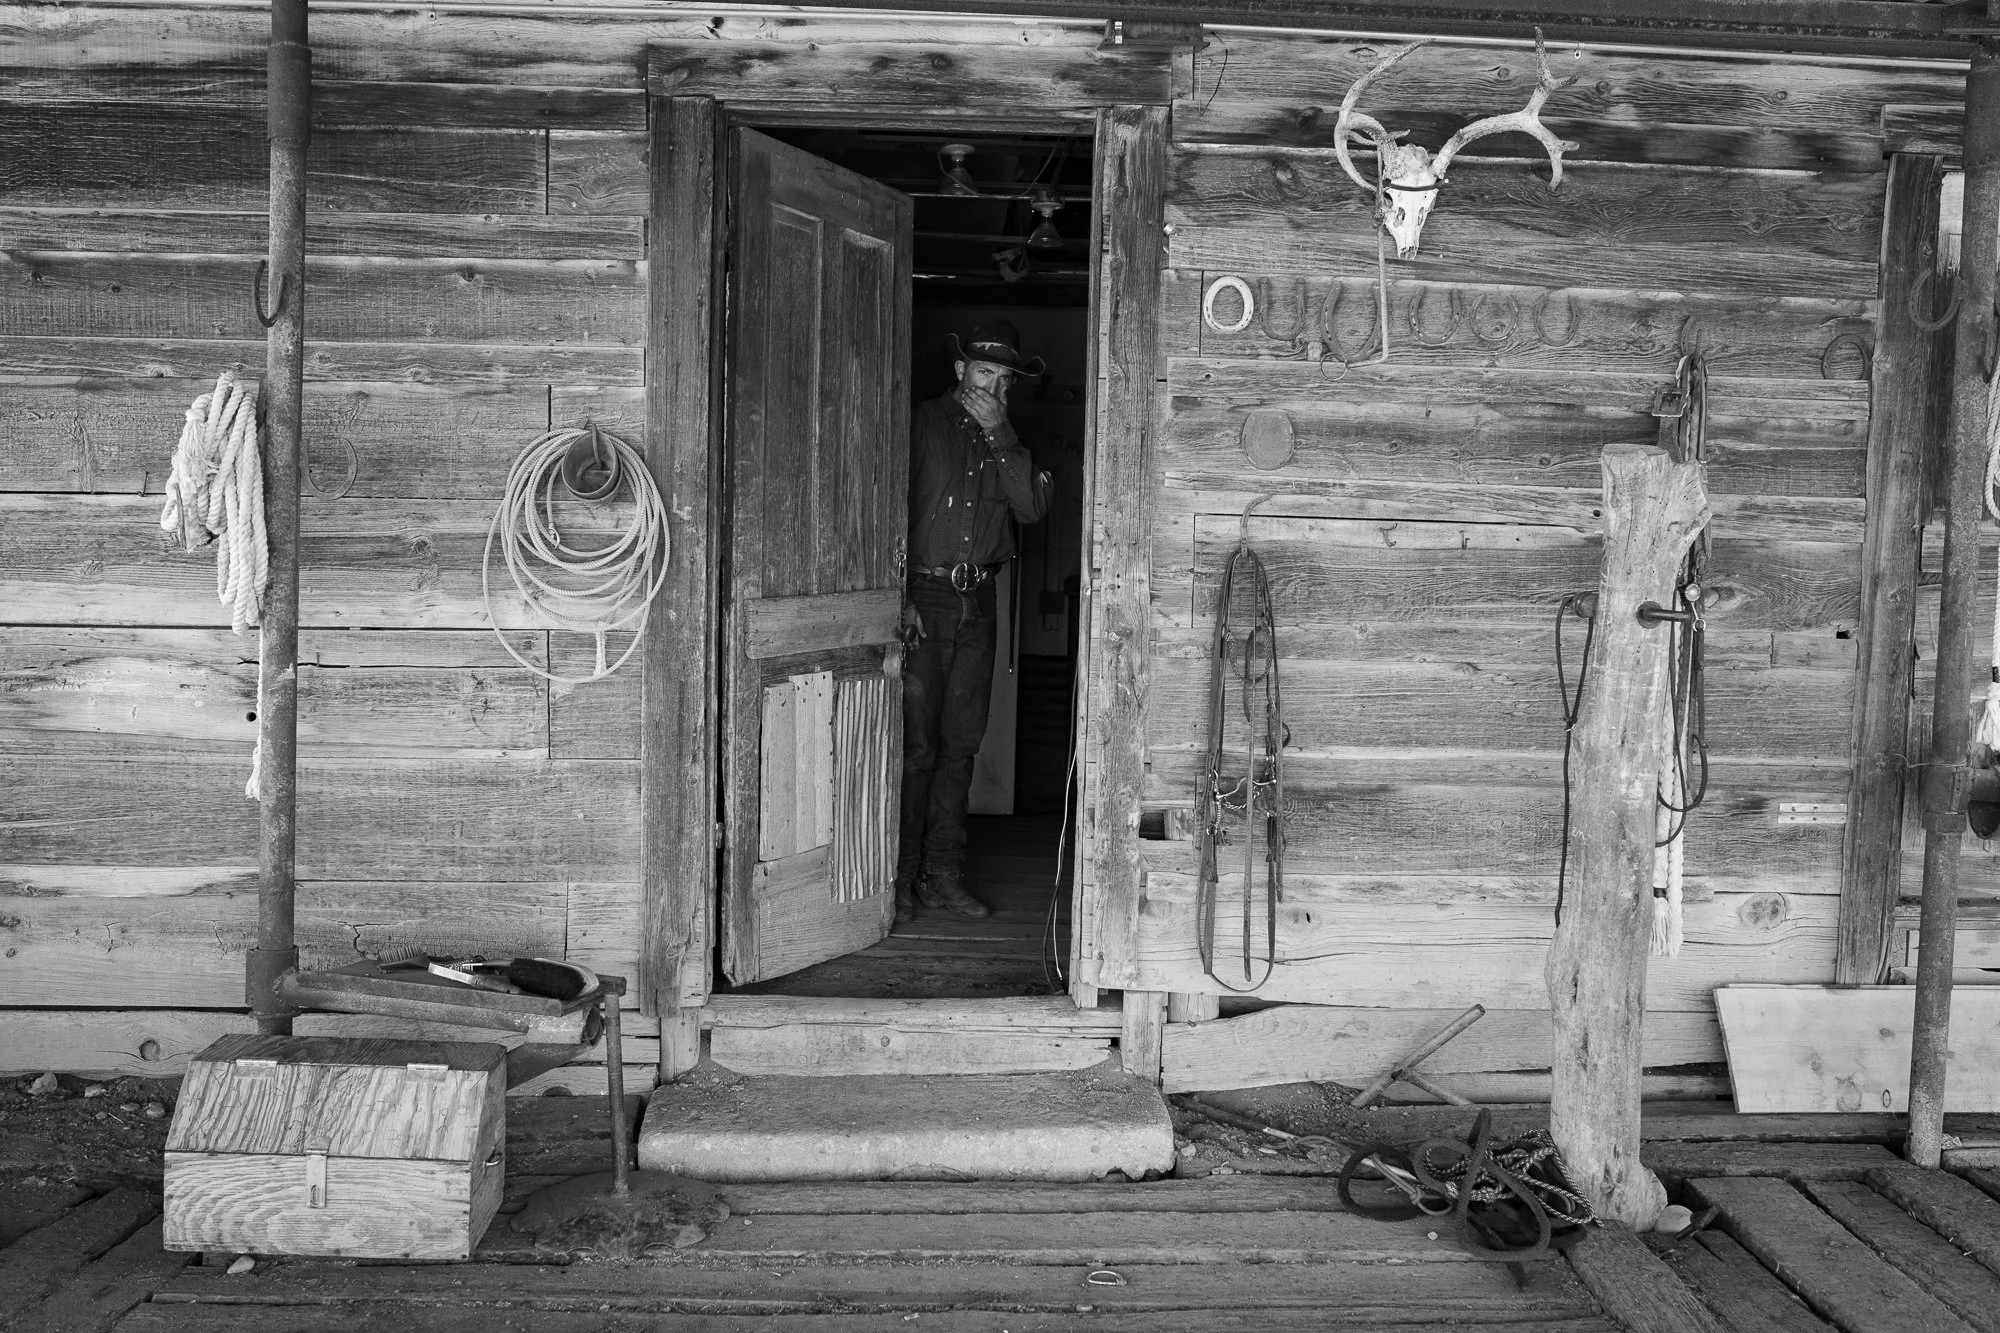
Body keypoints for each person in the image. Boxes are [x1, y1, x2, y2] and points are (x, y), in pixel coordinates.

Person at [896, 320, 1053, 922]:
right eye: (985, 372)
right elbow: (887, 511)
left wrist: (1000, 433)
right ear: (960, 369)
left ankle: (942, 874)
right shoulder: (917, 422)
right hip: (925, 598)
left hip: (977, 603)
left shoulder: (1008, 435)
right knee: (916, 747)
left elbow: (1033, 509)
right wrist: (899, 596)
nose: (995, 387)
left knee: (961, 747)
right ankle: (901, 878)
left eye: (1004, 378)